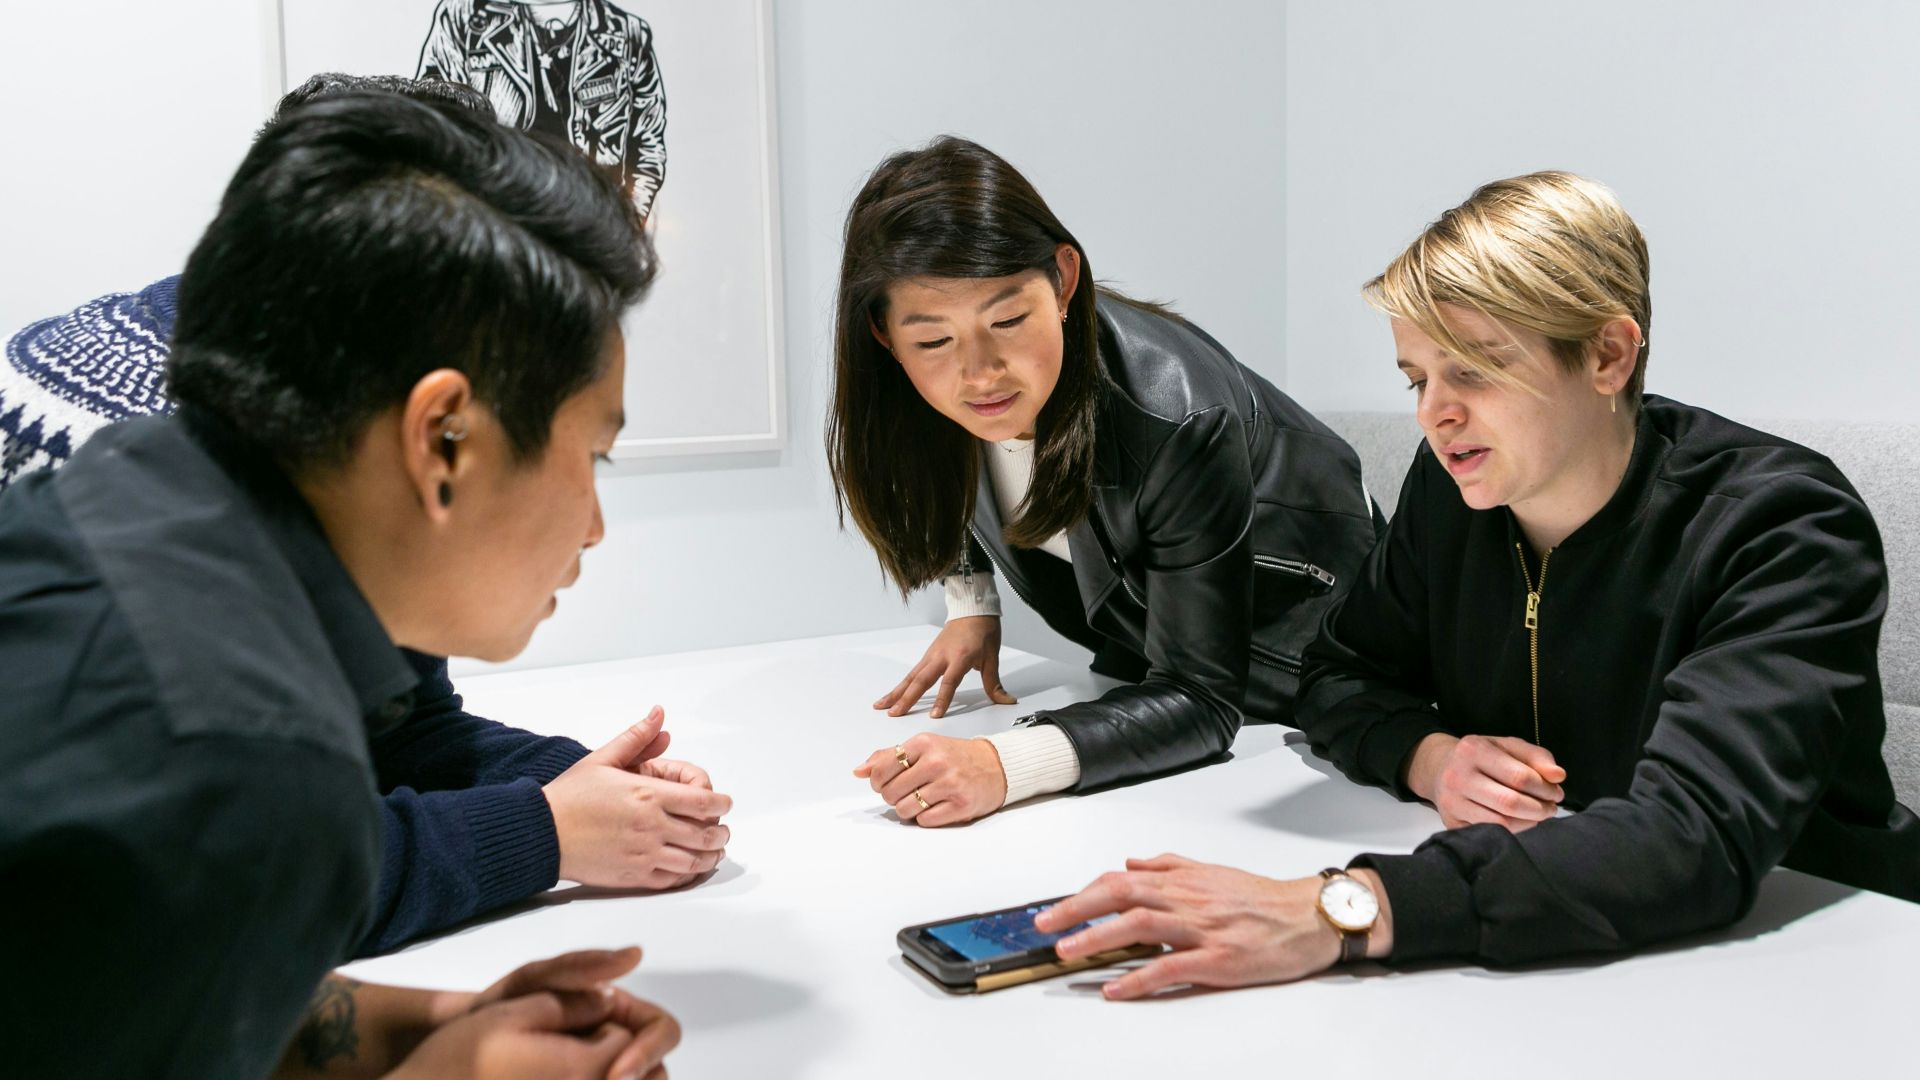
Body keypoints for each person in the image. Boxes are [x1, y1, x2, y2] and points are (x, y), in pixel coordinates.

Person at [1030, 171, 1920, 998]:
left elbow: (1693, 837)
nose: (1433, 413)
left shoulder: (1785, 527)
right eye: (1418, 377)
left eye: (1476, 369)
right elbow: (1337, 675)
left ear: (1609, 356)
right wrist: (1431, 756)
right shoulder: (1455, 489)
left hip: (1818, 959)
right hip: (1563, 936)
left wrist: (1339, 909)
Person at [0, 91, 687, 1077]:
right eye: (595, 458)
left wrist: (449, 1019)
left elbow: (113, 976)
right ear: (443, 439)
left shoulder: (129, 495)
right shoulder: (242, 755)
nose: (594, 525)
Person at [830, 137, 1379, 826]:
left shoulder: (1177, 415)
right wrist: (971, 603)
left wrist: (1004, 765)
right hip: (1155, 665)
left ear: (1063, 280)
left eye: (1007, 320)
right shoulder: (925, 397)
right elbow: (951, 475)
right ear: (884, 333)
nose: (980, 372)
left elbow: (1204, 699)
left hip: (1305, 672)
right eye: (934, 340)